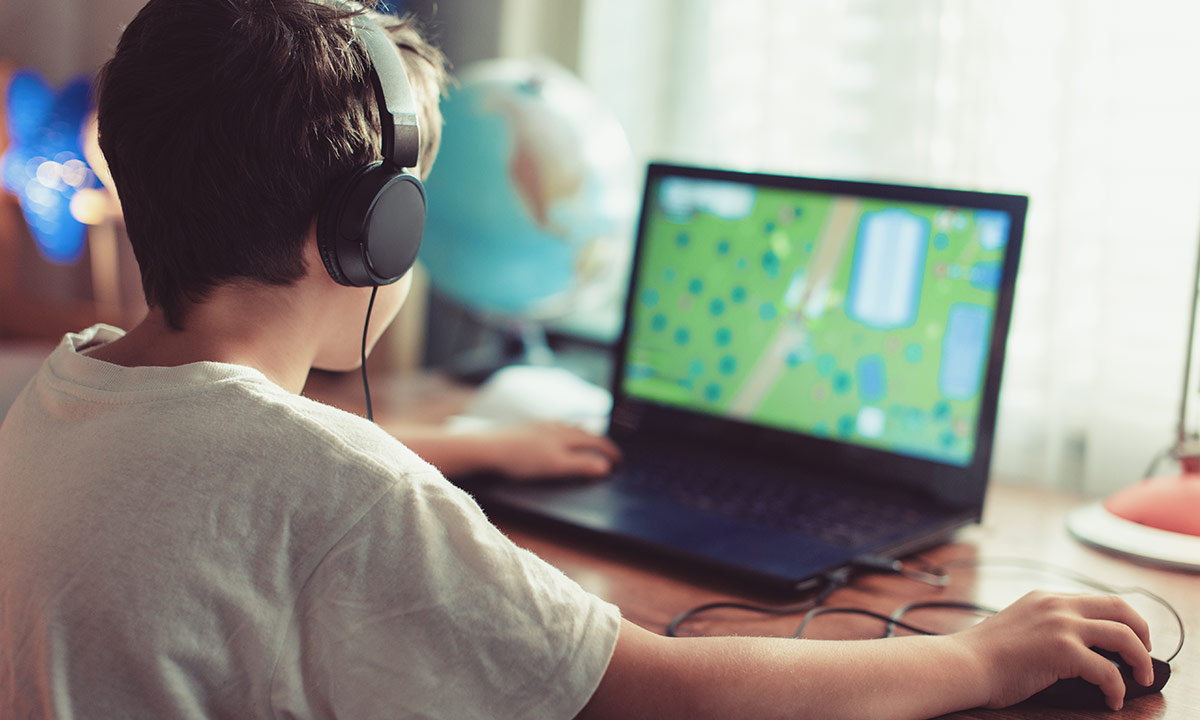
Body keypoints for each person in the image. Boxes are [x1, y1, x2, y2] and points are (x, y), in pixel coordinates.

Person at [0, 1, 1157, 718]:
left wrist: (466, 443)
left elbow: (225, 476)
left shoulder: (66, 387)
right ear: (367, 233)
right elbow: (664, 694)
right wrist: (980, 658)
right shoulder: (340, 495)